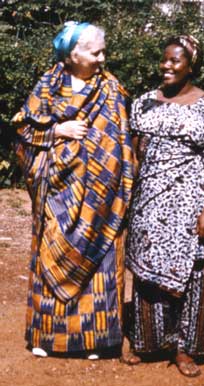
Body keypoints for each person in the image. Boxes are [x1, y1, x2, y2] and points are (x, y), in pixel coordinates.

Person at [12, 21, 134, 358]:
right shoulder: (48, 86)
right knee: (51, 253)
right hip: (57, 193)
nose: (102, 58)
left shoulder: (110, 88)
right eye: (95, 52)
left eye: (103, 51)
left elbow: (120, 142)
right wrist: (57, 131)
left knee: (101, 261)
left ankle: (95, 341)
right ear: (72, 54)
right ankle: (47, 337)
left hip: (100, 196)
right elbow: (23, 128)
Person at [123, 35, 204, 376]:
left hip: (189, 207)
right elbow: (133, 155)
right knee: (145, 273)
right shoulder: (143, 103)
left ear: (191, 66)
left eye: (176, 60)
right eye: (165, 59)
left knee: (191, 276)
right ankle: (147, 344)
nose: (167, 65)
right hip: (149, 205)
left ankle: (183, 349)